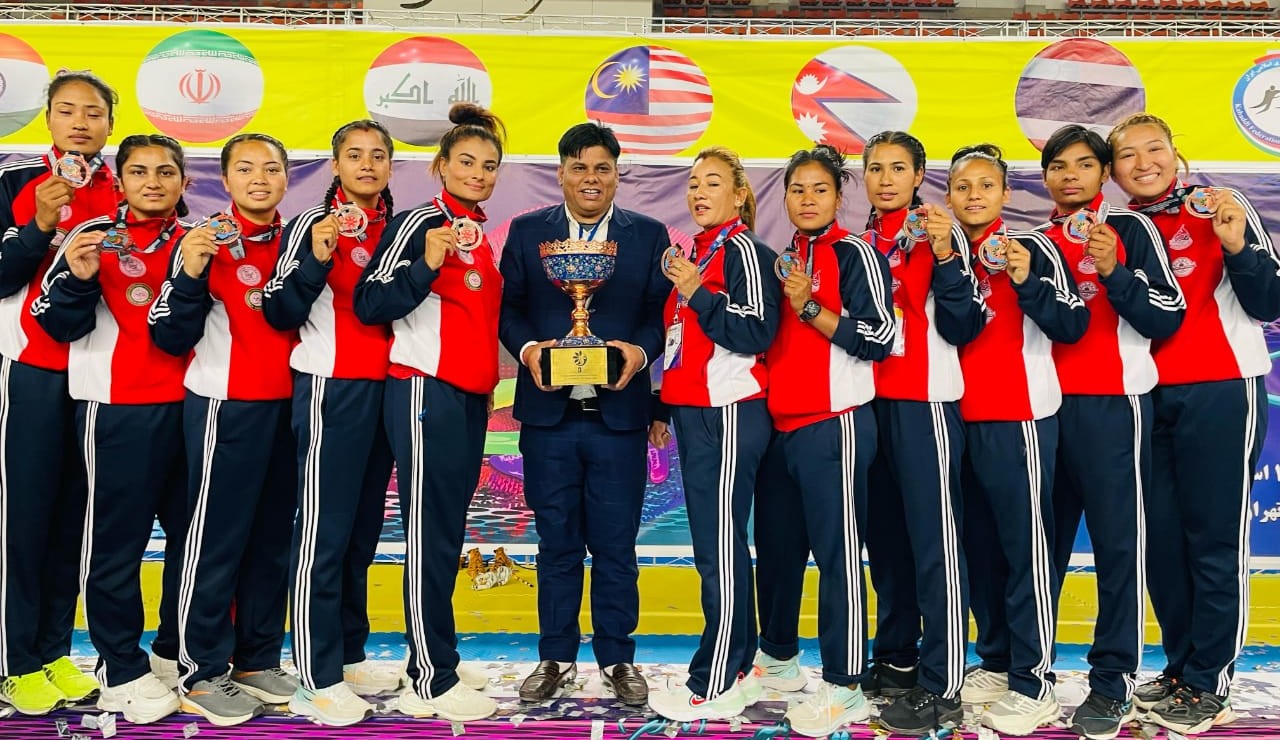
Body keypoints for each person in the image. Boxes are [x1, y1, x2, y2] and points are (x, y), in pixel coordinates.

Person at [1108, 112, 1279, 736]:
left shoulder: (1221, 207)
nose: (1144, 162)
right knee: (1162, 542)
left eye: (1155, 148)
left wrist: (1236, 245)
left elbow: (1271, 301)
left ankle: (1211, 680)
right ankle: (1181, 667)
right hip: (1146, 396)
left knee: (1213, 539)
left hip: (1221, 390)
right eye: (1128, 154)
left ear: (1176, 153)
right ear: (1113, 170)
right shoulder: (1117, 228)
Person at [498, 122, 668, 707]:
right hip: (549, 419)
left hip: (619, 419)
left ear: (617, 175)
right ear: (561, 173)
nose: (590, 178)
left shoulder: (648, 235)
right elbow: (509, 310)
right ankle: (555, 657)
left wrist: (638, 353)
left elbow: (659, 315)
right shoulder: (527, 233)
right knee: (557, 545)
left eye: (602, 168)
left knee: (617, 547)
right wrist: (530, 351)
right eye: (579, 167)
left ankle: (618, 659)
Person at [31, 133, 193, 725]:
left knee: (191, 542)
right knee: (115, 544)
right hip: (117, 407)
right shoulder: (90, 235)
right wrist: (77, 279)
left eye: (166, 171)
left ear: (183, 181)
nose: (154, 182)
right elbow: (53, 323)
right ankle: (119, 668)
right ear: (120, 181)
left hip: (192, 408)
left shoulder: (198, 240)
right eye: (140, 171)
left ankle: (171, 654)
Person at [353, 102, 507, 722]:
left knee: (445, 530)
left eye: (488, 166)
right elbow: (370, 301)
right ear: (441, 165)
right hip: (423, 391)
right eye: (466, 162)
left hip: (466, 397)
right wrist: (426, 264)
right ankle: (429, 677)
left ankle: (437, 652)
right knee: (428, 531)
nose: (477, 173)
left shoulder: (477, 231)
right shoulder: (421, 220)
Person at [1033, 124, 1185, 740]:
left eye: (1082, 164)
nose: (1069, 175)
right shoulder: (1033, 242)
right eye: (1057, 166)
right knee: (1039, 551)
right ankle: (1030, 675)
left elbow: (1166, 316)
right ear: (1044, 177)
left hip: (1114, 407)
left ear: (1103, 173)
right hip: (1042, 412)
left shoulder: (1132, 229)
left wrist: (1115, 271)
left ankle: (1112, 681)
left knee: (1120, 549)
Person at [148, 133, 298, 726]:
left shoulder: (300, 241)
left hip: (290, 410)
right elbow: (167, 331)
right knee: (214, 541)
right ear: (226, 179)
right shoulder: (202, 240)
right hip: (224, 406)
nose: (259, 178)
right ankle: (199, 670)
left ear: (287, 177)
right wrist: (189, 273)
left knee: (271, 541)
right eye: (246, 168)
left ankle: (256, 659)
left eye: (271, 168)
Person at [944, 143, 1088, 736]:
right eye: (962, 186)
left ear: (1006, 193)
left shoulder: (1035, 248)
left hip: (1020, 418)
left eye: (986, 185)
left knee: (1026, 551)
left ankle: (1034, 680)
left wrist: (1027, 281)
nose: (974, 195)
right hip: (958, 421)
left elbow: (1073, 324)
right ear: (948, 196)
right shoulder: (946, 254)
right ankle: (998, 659)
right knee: (979, 550)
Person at [750, 145, 892, 737]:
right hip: (781, 427)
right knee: (777, 552)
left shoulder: (856, 254)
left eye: (820, 189)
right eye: (797, 189)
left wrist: (808, 306)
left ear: (838, 196)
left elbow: (879, 338)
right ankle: (778, 660)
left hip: (836, 423)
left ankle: (846, 684)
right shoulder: (781, 258)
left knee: (838, 556)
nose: (807, 199)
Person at [262, 120, 396, 726]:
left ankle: (347, 654)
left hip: (387, 391)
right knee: (323, 532)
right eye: (354, 155)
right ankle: (315, 677)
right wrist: (317, 258)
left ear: (390, 165)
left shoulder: (399, 227)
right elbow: (279, 310)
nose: (367, 164)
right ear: (336, 165)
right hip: (329, 388)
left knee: (361, 533)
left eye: (378, 155)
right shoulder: (309, 226)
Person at [645, 145, 779, 723]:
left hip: (729, 411)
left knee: (717, 546)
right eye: (694, 183)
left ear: (740, 194)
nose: (699, 192)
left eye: (714, 182)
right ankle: (738, 666)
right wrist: (661, 405)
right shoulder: (696, 252)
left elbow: (756, 331)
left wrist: (698, 291)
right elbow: (682, 343)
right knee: (717, 545)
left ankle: (715, 679)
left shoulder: (745, 250)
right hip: (694, 410)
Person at [856, 131, 984, 735]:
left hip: (926, 402)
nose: (886, 180)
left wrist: (947, 256)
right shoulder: (859, 243)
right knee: (886, 545)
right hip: (868, 403)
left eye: (898, 169)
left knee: (936, 546)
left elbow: (963, 324)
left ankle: (943, 683)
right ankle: (898, 658)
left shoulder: (940, 234)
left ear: (917, 176)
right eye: (875, 168)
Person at [0, 70, 117, 714]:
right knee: (21, 520)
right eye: (67, 110)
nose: (80, 122)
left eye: (93, 113)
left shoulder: (123, 188)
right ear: (47, 118)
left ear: (109, 125)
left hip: (96, 376)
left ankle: (50, 651)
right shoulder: (16, 181)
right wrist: (40, 225)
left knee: (72, 520)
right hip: (31, 369)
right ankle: (12, 662)